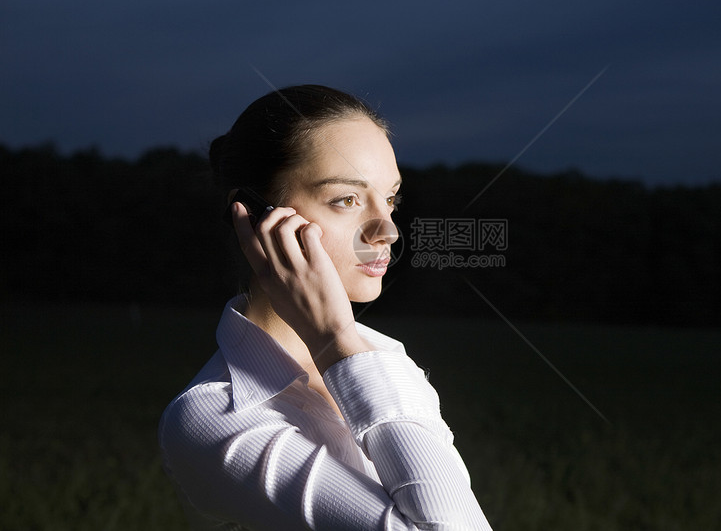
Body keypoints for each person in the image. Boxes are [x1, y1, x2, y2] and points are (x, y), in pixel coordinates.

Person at [158, 84, 493, 530]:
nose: (387, 231)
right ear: (255, 217)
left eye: (390, 198)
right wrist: (333, 339)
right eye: (346, 200)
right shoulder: (212, 419)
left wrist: (343, 345)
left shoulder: (385, 357)